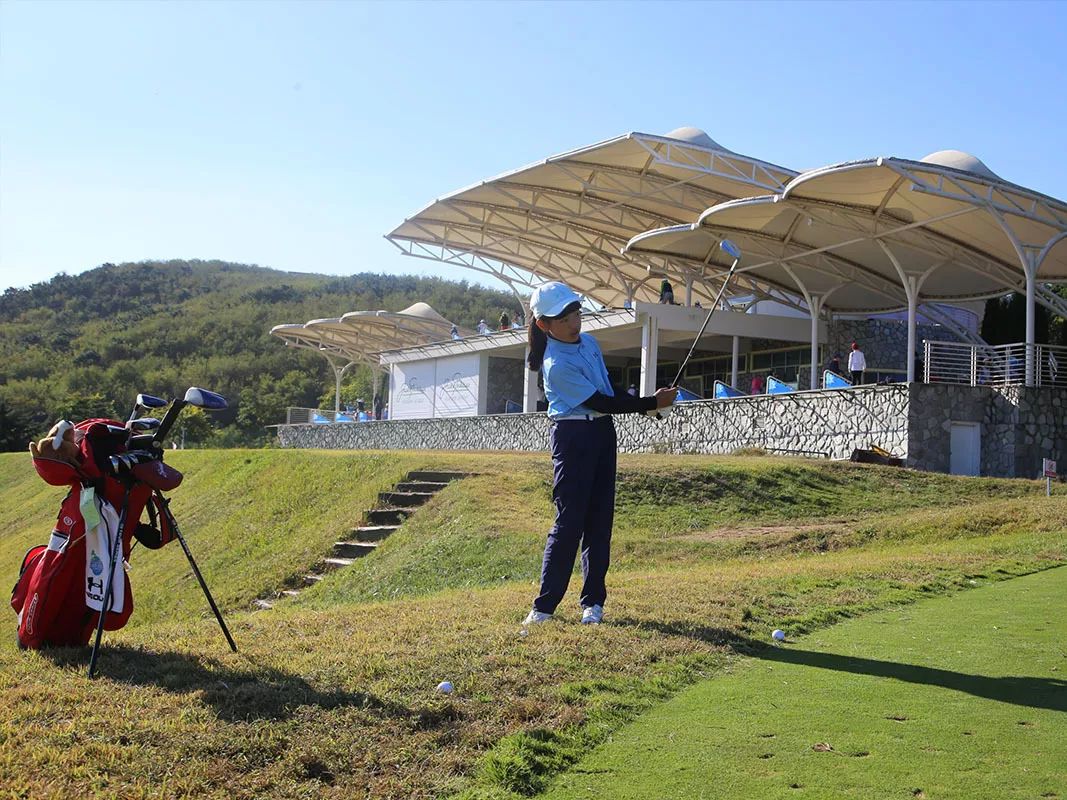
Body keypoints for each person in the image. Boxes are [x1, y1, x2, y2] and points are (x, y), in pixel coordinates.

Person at [523, 281, 677, 626]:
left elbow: (609, 390)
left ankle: (593, 603)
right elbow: (599, 401)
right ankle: (544, 607)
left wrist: (647, 404)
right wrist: (651, 403)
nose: (574, 322)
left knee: (599, 522)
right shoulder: (555, 364)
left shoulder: (589, 343)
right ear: (544, 325)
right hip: (573, 436)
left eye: (576, 313)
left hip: (603, 434)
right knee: (569, 523)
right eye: (563, 319)